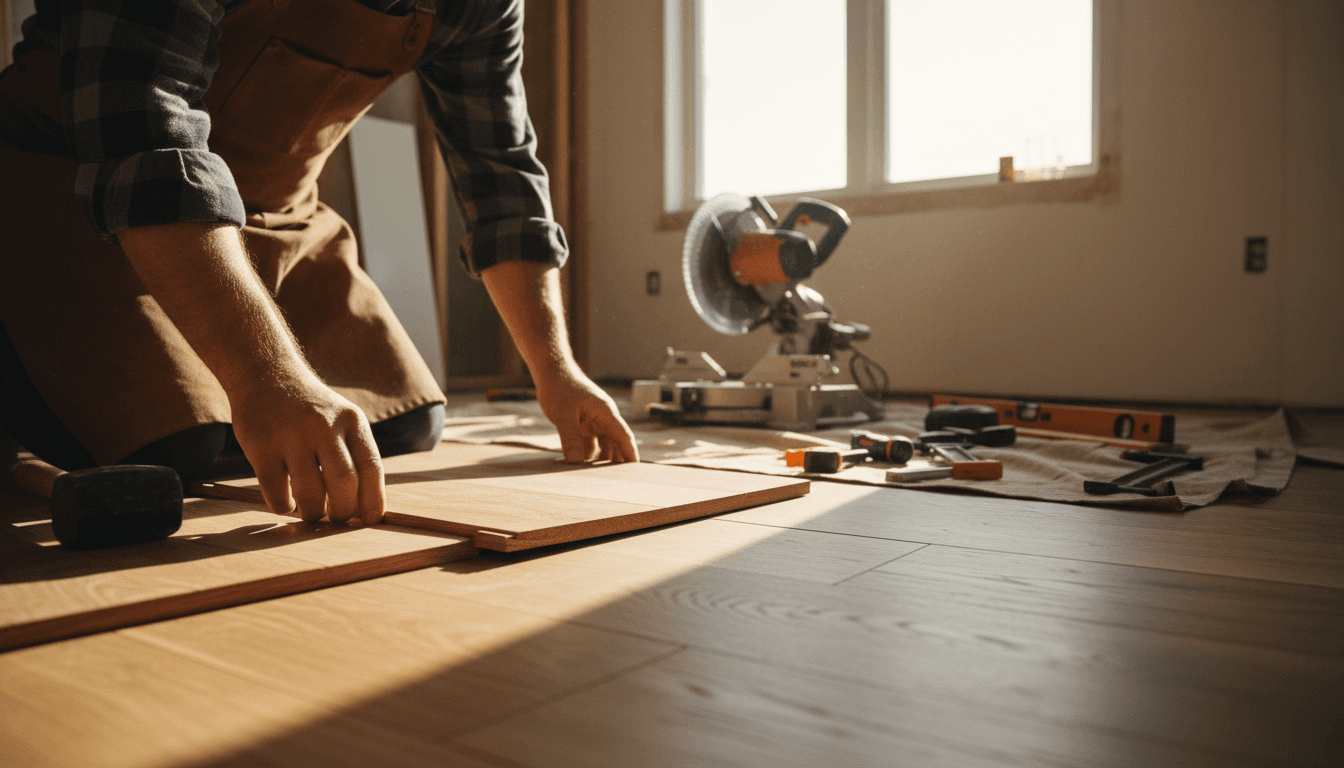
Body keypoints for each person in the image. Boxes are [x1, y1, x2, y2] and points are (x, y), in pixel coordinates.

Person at [0, 0, 638, 527]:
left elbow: (502, 177)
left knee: (402, 424)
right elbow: (140, 134)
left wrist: (557, 372)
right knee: (180, 448)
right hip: (74, 190)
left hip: (279, 217)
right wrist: (268, 377)